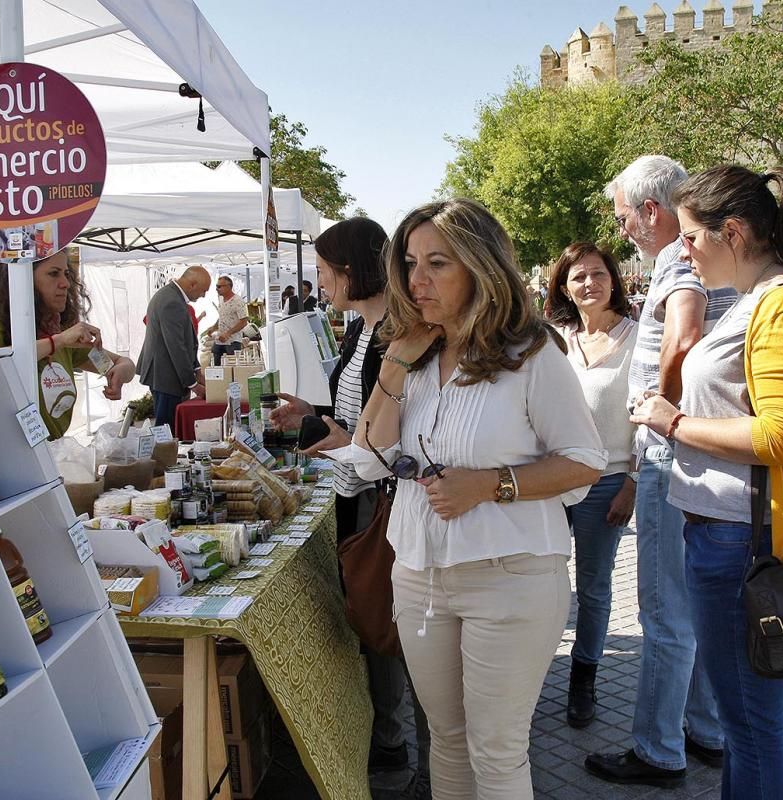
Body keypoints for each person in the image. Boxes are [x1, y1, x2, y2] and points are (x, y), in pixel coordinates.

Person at [349, 198, 607, 799]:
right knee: (446, 738)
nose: (417, 281)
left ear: (479, 266)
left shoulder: (531, 352)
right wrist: (393, 362)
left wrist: (490, 485)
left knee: (496, 750)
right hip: (418, 574)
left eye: (437, 263)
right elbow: (368, 455)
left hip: (510, 575)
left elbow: (585, 463)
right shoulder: (413, 354)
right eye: (410, 264)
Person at [630, 165, 783, 800]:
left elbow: (781, 436)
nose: (683, 251)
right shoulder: (757, 301)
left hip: (744, 544)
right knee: (747, 726)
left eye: (691, 236)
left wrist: (675, 421)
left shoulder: (782, 306)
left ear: (735, 232)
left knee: (750, 727)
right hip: (726, 536)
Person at [268, 217, 432, 798]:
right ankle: (388, 737)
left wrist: (344, 439)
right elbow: (351, 417)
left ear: (349, 270)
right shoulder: (360, 329)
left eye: (323, 270)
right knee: (374, 618)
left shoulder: (396, 332)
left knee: (391, 622)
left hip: (384, 497)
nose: (319, 281)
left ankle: (412, 755)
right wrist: (309, 414)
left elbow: (393, 432)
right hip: (357, 491)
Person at [586, 155, 730, 789]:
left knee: (666, 610)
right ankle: (705, 729)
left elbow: (685, 335)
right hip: (705, 457)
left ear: (650, 211)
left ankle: (657, 749)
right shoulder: (708, 256)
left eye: (623, 219)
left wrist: (660, 409)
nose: (623, 233)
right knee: (696, 606)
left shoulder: (678, 259)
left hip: (672, 455)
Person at [544, 242, 638, 730]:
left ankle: (584, 678)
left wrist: (633, 484)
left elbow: (646, 418)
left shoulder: (638, 338)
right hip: (554, 483)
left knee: (594, 588)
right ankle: (536, 667)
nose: (589, 283)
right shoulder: (556, 342)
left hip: (608, 484)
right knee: (544, 580)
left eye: (598, 274)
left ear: (613, 280)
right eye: (578, 277)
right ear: (564, 286)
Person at [0, 249, 135, 440]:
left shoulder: (62, 337)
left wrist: (121, 372)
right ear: (23, 280)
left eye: (66, 274)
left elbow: (121, 364)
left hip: (53, 454)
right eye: (53, 273)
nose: (65, 283)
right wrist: (57, 341)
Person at [137, 266, 210, 430]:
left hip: (165, 373)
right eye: (203, 290)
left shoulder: (172, 296)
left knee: (168, 428)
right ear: (192, 284)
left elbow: (186, 340)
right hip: (167, 376)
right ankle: (165, 455)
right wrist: (193, 384)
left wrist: (197, 370)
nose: (203, 295)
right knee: (166, 429)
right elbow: (176, 347)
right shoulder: (171, 301)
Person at [206, 275, 247, 365]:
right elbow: (222, 317)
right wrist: (213, 328)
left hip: (233, 341)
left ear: (229, 286)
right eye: (216, 286)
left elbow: (244, 321)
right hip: (220, 340)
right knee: (214, 366)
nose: (217, 289)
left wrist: (228, 333)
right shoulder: (220, 299)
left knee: (231, 368)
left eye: (219, 286)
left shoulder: (238, 301)